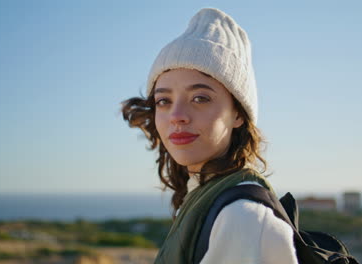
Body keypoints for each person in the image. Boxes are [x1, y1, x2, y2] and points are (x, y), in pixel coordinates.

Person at [121, 7, 298, 264]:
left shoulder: (242, 219)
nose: (177, 115)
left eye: (200, 98)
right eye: (163, 101)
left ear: (238, 113)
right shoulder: (204, 196)